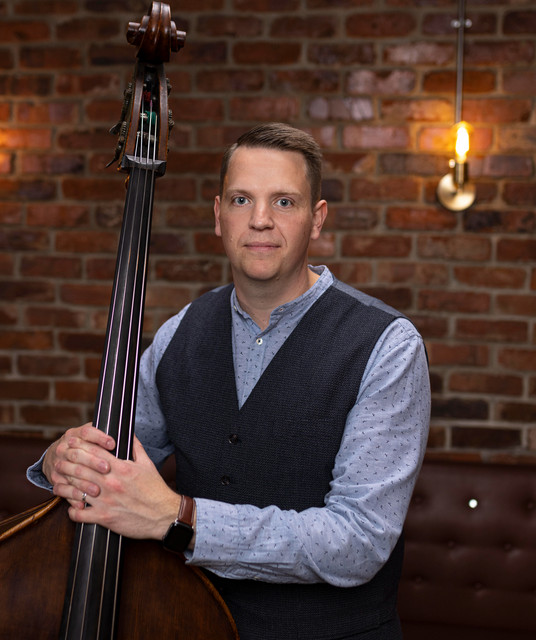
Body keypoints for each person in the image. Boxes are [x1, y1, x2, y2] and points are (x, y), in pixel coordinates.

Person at [28, 122, 431, 640]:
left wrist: (181, 517)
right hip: (190, 626)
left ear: (317, 219)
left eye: (283, 202)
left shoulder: (387, 345)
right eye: (242, 200)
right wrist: (62, 460)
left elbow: (359, 542)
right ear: (218, 216)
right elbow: (114, 463)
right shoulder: (180, 333)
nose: (260, 220)